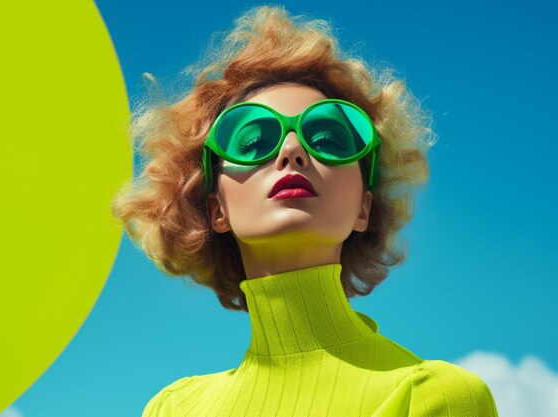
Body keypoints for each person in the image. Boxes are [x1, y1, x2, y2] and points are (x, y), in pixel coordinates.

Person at [111, 5, 499, 417]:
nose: (292, 150)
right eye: (253, 141)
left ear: (363, 209)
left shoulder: (433, 396)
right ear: (215, 208)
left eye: (328, 138)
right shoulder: (174, 409)